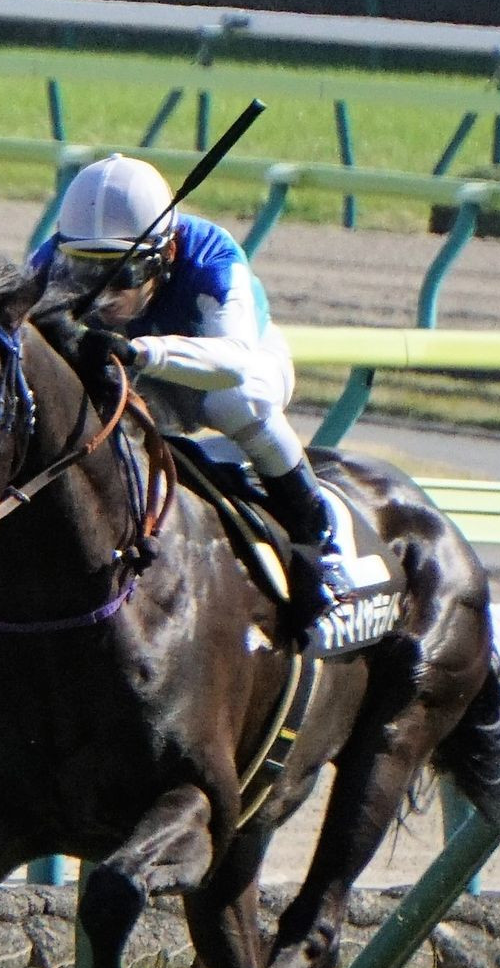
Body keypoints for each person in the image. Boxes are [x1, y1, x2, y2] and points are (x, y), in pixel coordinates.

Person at [29, 154, 357, 632]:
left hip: (232, 368)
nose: (103, 296)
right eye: (84, 271)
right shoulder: (47, 261)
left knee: (239, 399)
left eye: (122, 275)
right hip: (138, 379)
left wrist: (140, 351)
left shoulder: (213, 257)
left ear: (166, 255)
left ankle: (318, 539)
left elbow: (235, 360)